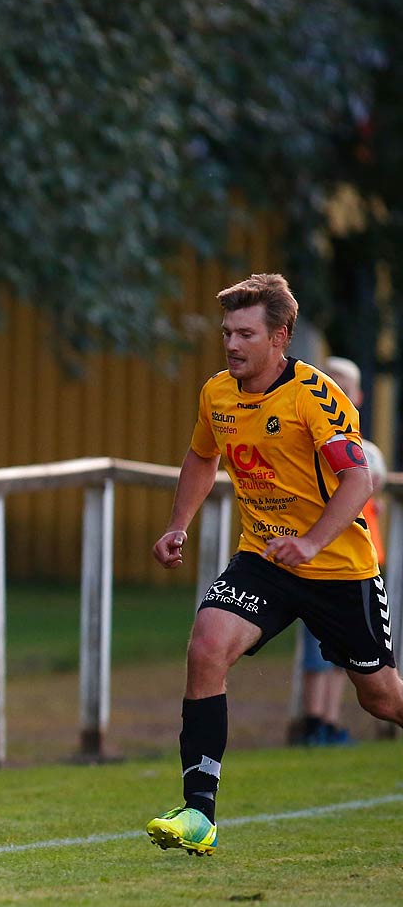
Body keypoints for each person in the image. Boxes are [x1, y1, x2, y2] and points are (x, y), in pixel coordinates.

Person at [149, 273, 403, 856]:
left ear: (280, 337)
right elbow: (199, 455)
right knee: (206, 645)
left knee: (382, 699)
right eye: (226, 334)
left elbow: (358, 479)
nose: (232, 345)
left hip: (339, 568)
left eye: (245, 334)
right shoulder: (218, 393)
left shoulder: (315, 397)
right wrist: (176, 526)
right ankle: (199, 815)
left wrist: (312, 543)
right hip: (264, 558)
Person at [292, 356, 388, 747]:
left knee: (354, 660)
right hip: (316, 562)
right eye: (332, 385)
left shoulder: (367, 451)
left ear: (359, 397)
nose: (338, 394)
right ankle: (313, 720)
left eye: (346, 388)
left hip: (359, 562)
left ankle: (329, 720)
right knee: (315, 653)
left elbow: (370, 482)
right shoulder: (305, 441)